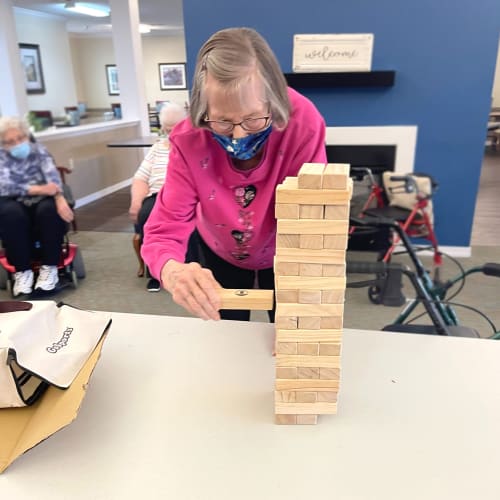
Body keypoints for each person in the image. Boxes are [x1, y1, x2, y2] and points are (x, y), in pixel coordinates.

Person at [142, 27, 326, 321]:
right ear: (203, 110)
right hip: (219, 251)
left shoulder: (303, 123)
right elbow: (164, 228)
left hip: (288, 255)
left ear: (273, 100)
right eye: (223, 122)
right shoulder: (188, 138)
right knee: (228, 335)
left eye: (253, 119)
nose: (238, 136)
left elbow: (312, 220)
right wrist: (173, 270)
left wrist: (304, 309)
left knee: (289, 335)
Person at [0, 116, 74, 296]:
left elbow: (54, 180)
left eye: (20, 138)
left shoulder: (40, 151)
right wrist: (40, 189)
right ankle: (22, 272)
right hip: (12, 200)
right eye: (10, 142)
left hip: (44, 199)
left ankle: (50, 269)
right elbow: (5, 186)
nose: (17, 144)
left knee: (49, 210)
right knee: (11, 214)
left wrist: (58, 197)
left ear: (27, 136)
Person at [128, 102, 188, 292]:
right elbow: (140, 178)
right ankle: (156, 273)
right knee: (146, 213)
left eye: (175, 128)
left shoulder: (191, 148)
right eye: (167, 129)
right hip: (156, 195)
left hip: (182, 196)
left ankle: (187, 267)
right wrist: (136, 201)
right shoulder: (157, 148)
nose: (171, 133)